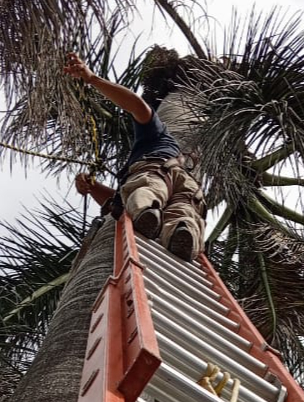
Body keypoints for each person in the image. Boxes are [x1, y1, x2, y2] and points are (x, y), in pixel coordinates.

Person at [63, 51, 206, 262]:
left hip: (157, 171)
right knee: (184, 213)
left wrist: (92, 78)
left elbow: (138, 106)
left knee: (147, 192)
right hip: (191, 188)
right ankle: (183, 233)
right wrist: (92, 187)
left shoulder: (156, 135)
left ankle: (147, 211)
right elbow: (116, 200)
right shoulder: (189, 156)